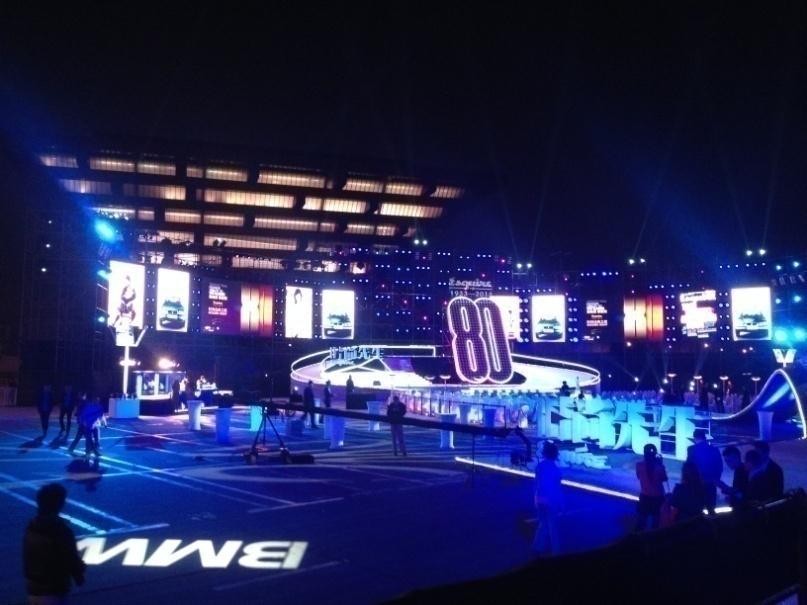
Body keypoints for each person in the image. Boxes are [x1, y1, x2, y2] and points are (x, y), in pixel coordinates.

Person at [23, 483, 86, 603]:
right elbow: (70, 557)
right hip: (53, 590)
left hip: (34, 588)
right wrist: (79, 574)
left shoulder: (32, 526)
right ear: (60, 504)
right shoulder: (60, 530)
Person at [533, 441, 563, 556]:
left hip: (540, 499)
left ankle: (537, 547)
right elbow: (558, 489)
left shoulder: (540, 467)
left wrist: (535, 498)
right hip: (551, 500)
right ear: (555, 454)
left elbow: (537, 484)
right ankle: (556, 551)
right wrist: (561, 503)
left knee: (543, 524)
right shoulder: (556, 470)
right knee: (552, 526)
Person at [686, 428, 723, 511]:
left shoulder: (691, 449)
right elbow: (719, 467)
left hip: (697, 485)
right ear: (705, 438)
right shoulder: (714, 450)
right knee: (711, 509)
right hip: (711, 484)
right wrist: (716, 480)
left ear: (695, 438)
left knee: (697, 510)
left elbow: (689, 467)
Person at [635, 443, 668, 530]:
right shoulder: (659, 466)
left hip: (645, 495)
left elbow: (639, 477)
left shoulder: (639, 465)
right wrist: (661, 464)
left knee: (642, 521)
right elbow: (664, 479)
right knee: (655, 521)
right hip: (657, 496)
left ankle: (639, 536)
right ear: (655, 453)